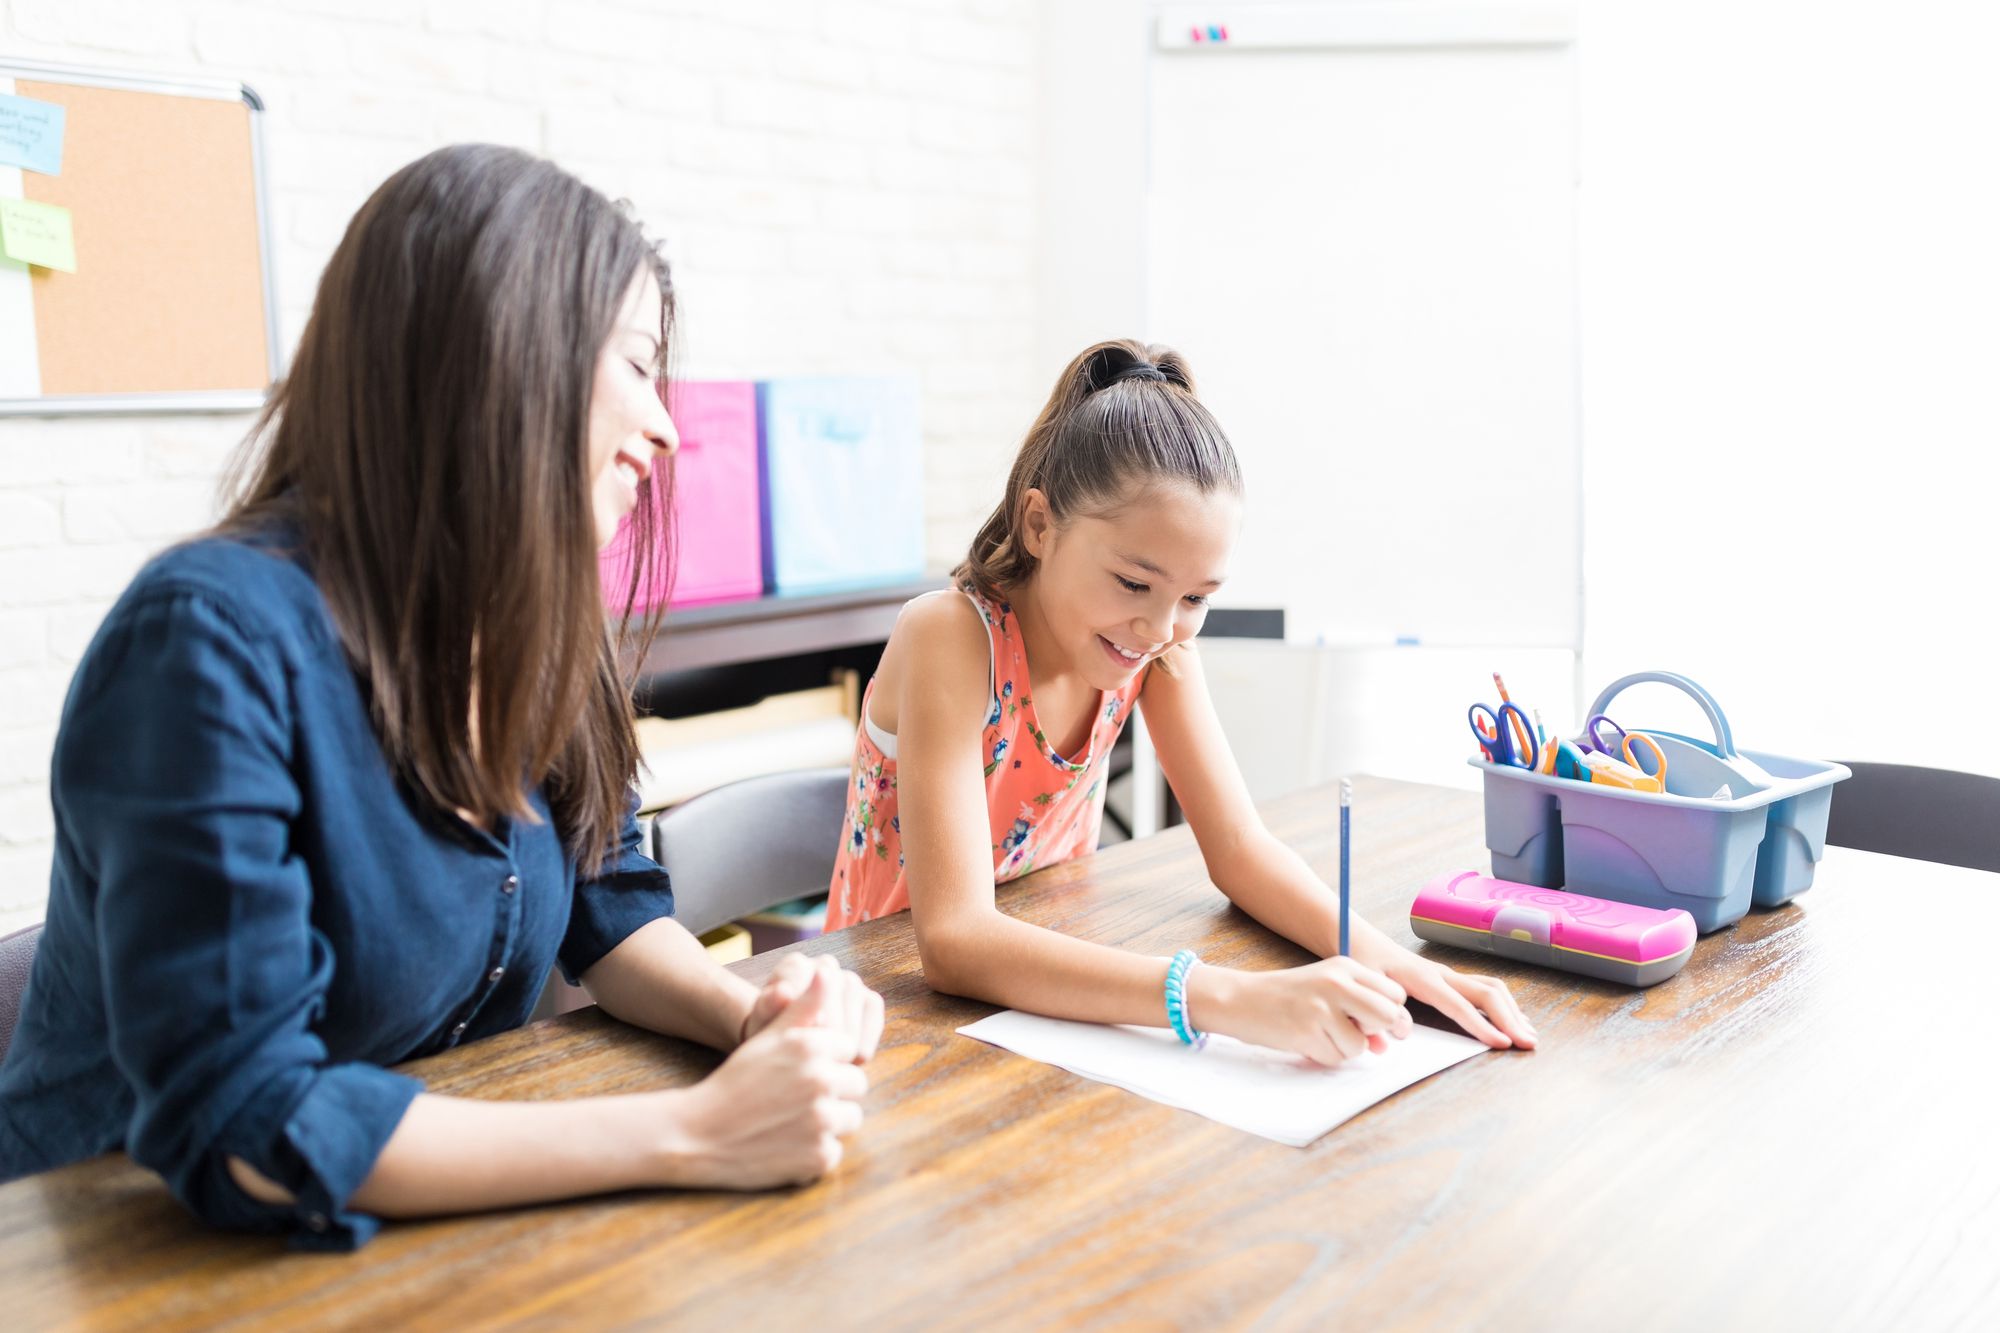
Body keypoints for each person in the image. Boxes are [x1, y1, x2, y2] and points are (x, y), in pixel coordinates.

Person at [0, 145, 881, 1249]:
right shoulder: (206, 641)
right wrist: (696, 1134)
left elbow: (607, 898)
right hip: (125, 1253)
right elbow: (247, 1118)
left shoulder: (523, 620)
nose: (664, 425)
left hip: (424, 1217)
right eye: (640, 366)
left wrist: (746, 1015)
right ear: (502, 354)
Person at [825, 339, 1536, 1063]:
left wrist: (1396, 965)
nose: (1162, 627)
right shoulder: (949, 635)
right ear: (1039, 525)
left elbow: (1238, 847)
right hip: (887, 1021)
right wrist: (1232, 1000)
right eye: (1135, 583)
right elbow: (952, 940)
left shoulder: (1152, 648)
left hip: (1040, 1010)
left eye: (1196, 597)